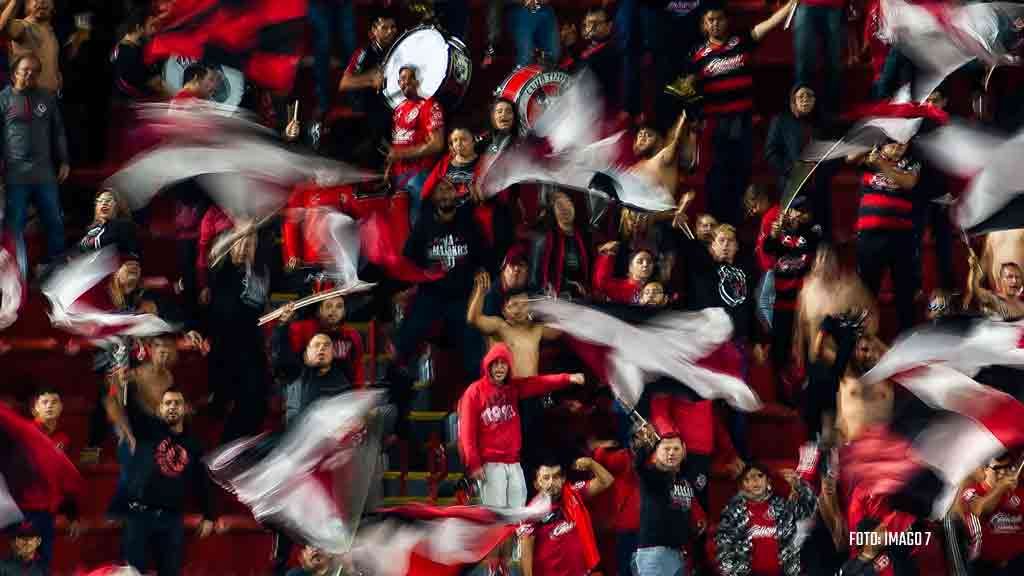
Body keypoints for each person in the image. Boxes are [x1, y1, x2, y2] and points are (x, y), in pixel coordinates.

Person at [688, 0, 798, 225]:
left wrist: (788, 7)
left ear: (726, 21)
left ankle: (738, 225)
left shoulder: (740, 41)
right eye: (711, 20)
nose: (716, 24)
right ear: (704, 25)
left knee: (741, 175)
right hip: (716, 123)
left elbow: (766, 26)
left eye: (719, 19)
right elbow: (688, 88)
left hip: (743, 120)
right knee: (718, 176)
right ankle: (719, 225)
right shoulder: (697, 54)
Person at [457, 343, 585, 508]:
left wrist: (568, 378)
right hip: (490, 463)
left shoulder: (514, 388)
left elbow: (540, 383)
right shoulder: (474, 392)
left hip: (514, 462)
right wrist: (474, 464)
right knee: (497, 514)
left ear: (509, 366)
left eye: (503, 363)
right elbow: (467, 432)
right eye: (495, 364)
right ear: (487, 365)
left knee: (518, 512)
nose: (499, 368)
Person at [394, 178, 491, 382]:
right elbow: (408, 258)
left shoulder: (468, 221)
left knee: (472, 345)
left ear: (457, 195)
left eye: (449, 189)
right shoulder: (424, 223)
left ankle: (478, 388)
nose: (446, 194)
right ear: (433, 197)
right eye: (440, 191)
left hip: (461, 295)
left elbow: (483, 254)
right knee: (407, 336)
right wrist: (411, 283)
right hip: (432, 294)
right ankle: (397, 378)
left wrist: (480, 269)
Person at [112, 388, 215, 576]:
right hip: (139, 516)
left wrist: (209, 515)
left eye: (177, 403)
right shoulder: (147, 430)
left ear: (185, 409)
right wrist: (123, 382)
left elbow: (202, 481)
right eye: (167, 403)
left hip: (172, 519)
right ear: (159, 409)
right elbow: (127, 407)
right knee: (133, 573)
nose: (172, 407)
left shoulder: (194, 444)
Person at [1, 53, 69, 277]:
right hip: (16, 174)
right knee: (15, 225)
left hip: (44, 172)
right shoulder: (3, 99)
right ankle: (14, 272)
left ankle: (55, 268)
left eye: (34, 71)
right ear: (14, 73)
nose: (29, 74)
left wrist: (64, 160)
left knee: (54, 219)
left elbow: (58, 131)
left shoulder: (47, 98)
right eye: (25, 70)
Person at [850, 140, 922, 332]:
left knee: (904, 292)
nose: (898, 149)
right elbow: (849, 158)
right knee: (867, 291)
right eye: (893, 145)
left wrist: (882, 164)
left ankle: (906, 339)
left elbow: (909, 182)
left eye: (902, 145)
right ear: (882, 144)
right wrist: (869, 149)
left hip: (902, 236)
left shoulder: (911, 161)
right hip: (870, 236)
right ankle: (863, 340)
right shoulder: (869, 156)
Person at [205, 232, 270, 442]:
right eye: (239, 243)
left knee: (256, 398)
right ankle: (227, 449)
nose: (244, 247)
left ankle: (237, 447)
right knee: (224, 403)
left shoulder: (260, 273)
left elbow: (262, 308)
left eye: (250, 244)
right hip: (223, 346)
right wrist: (241, 232)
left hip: (251, 346)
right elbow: (215, 252)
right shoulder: (221, 269)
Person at [759, 196, 822, 400]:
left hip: (804, 307)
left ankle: (806, 394)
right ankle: (781, 395)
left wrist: (782, 234)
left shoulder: (813, 233)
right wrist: (774, 234)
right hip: (781, 305)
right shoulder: (779, 236)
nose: (800, 215)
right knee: (780, 353)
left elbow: (804, 245)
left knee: (807, 353)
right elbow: (768, 248)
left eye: (804, 212)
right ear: (789, 212)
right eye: (796, 211)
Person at [715, 462, 816, 576]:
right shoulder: (733, 512)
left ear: (768, 481)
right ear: (742, 485)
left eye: (759, 475)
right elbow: (724, 549)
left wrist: (799, 485)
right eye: (747, 478)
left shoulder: (782, 507)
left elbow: (808, 510)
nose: (755, 481)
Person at [518, 456, 613, 576]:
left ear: (563, 478)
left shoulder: (574, 493)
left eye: (556, 476)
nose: (551, 482)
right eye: (546, 478)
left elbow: (607, 481)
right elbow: (526, 551)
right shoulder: (532, 513)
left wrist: (591, 464)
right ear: (537, 484)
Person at [631, 424, 707, 576]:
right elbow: (639, 465)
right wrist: (644, 446)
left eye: (676, 449)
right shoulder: (652, 476)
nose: (671, 453)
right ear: (656, 452)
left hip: (679, 554)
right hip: (653, 554)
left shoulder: (685, 479)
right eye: (666, 449)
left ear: (684, 450)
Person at [764, 84, 833, 235]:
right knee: (791, 235)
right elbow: (771, 153)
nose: (805, 100)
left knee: (819, 232)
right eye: (800, 96)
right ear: (793, 100)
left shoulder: (824, 122)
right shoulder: (781, 121)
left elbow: (834, 153)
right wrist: (792, 170)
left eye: (809, 96)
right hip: (791, 185)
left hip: (818, 186)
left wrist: (823, 171)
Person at [468, 272, 561, 379]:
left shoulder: (536, 329)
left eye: (524, 305)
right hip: (505, 391)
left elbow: (557, 332)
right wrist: (480, 293)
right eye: (515, 304)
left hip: (531, 390)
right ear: (504, 310)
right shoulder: (499, 326)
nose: (519, 309)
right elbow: (474, 319)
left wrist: (554, 305)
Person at [338, 10, 397, 167]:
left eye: (393, 27)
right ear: (373, 31)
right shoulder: (364, 52)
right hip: (368, 106)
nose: (390, 31)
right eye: (385, 28)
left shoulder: (399, 51)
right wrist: (370, 80)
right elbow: (344, 83)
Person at [388, 65, 445, 227]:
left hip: (419, 175)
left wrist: (403, 155)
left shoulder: (430, 105)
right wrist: (389, 169)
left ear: (416, 81)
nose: (404, 82)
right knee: (402, 227)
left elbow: (437, 144)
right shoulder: (398, 109)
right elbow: (397, 144)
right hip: (398, 177)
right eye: (401, 79)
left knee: (419, 225)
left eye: (408, 77)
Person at [274, 292, 365, 389]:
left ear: (344, 311)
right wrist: (283, 323)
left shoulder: (352, 335)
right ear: (320, 310)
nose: (334, 311)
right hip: (308, 390)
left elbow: (357, 368)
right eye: (328, 306)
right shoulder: (302, 329)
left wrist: (358, 393)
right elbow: (285, 359)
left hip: (340, 393)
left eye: (339, 307)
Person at [961, 453, 1024, 575]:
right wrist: (999, 489)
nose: (1002, 474)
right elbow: (978, 509)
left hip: (1017, 564)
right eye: (997, 469)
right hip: (986, 566)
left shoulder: (1019, 492)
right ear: (986, 469)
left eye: (1007, 468)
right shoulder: (972, 491)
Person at [530, 191, 592, 301]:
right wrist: (568, 285)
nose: (564, 209)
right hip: (555, 298)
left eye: (567, 203)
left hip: (581, 297)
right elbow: (536, 280)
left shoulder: (583, 236)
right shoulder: (544, 239)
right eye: (559, 205)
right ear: (553, 210)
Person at [791, 0, 844, 118]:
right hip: (806, 4)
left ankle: (830, 115)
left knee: (832, 62)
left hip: (834, 6)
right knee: (804, 61)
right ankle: (804, 115)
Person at [1, 0, 60, 94]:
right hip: (30, 99)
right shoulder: (23, 26)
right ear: (27, 5)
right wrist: (14, 1)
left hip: (51, 98)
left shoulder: (49, 30)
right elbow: (2, 28)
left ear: (53, 5)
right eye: (35, 0)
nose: (41, 2)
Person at [576, 6, 623, 113]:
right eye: (588, 23)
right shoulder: (587, 48)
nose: (591, 27)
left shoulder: (611, 51)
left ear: (609, 26)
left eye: (596, 23)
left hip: (599, 111)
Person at [78, 189, 139, 259]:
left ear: (118, 204)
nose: (104, 203)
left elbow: (132, 256)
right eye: (100, 201)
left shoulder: (124, 225)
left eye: (108, 200)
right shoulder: (91, 229)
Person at [506, 0, 560, 67]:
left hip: (545, 9)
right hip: (520, 9)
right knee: (525, 57)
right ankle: (522, 72)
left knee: (553, 55)